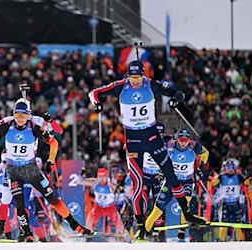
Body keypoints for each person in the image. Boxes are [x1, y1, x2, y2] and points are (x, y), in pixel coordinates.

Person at [88, 60, 206, 241]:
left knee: (171, 175)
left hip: (152, 138)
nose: (135, 81)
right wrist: (96, 103)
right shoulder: (121, 86)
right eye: (132, 77)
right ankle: (141, 224)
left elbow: (175, 92)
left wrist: (177, 97)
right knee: (138, 183)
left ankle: (187, 214)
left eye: (138, 77)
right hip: (133, 140)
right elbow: (94, 93)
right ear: (128, 76)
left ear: (143, 75)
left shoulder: (151, 84)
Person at [0, 101, 93, 242]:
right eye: (17, 115)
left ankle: (75, 225)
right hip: (14, 170)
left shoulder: (34, 127)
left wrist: (50, 160)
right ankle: (27, 234)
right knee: (20, 203)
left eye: (23, 115)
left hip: (31, 169)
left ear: (28, 115)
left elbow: (54, 142)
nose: (20, 118)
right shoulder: (7, 125)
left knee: (52, 198)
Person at [144, 128, 208, 241]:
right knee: (157, 210)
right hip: (171, 181)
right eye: (181, 140)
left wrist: (200, 167)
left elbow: (206, 153)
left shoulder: (194, 146)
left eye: (186, 140)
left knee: (186, 205)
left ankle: (182, 230)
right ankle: (143, 234)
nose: (184, 143)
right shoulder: (169, 145)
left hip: (187, 181)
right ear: (177, 139)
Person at [211, 159, 249, 241]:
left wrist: (247, 178)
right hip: (226, 204)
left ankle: (240, 241)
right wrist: (215, 176)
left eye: (232, 167)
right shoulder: (222, 177)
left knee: (238, 224)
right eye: (228, 167)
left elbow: (246, 183)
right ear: (225, 168)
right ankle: (221, 241)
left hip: (236, 204)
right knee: (224, 224)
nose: (230, 169)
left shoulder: (238, 176)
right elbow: (213, 184)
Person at [80, 168, 125, 235]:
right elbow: (81, 182)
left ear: (106, 176)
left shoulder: (110, 184)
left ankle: (124, 235)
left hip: (110, 207)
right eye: (100, 176)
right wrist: (82, 175)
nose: (102, 179)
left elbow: (115, 188)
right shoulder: (95, 183)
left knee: (119, 225)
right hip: (98, 207)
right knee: (89, 221)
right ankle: (88, 234)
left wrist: (109, 183)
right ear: (98, 177)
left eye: (103, 176)